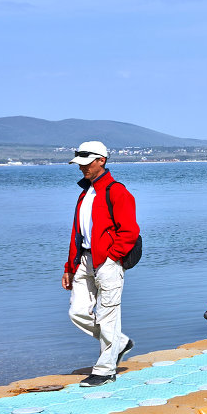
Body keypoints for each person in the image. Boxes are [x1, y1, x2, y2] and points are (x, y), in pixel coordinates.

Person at [62, 141, 138, 386]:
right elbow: (78, 233)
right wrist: (69, 267)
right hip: (84, 260)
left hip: (107, 262)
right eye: (79, 163)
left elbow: (130, 232)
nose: (81, 168)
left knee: (107, 316)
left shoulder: (117, 191)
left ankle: (105, 371)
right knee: (77, 312)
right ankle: (120, 342)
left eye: (86, 163)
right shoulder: (85, 193)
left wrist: (112, 256)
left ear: (101, 161)